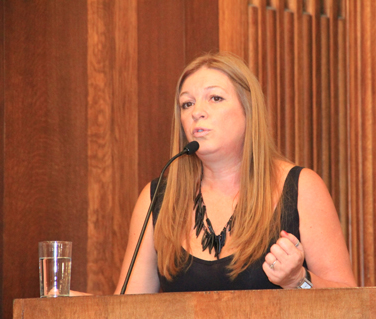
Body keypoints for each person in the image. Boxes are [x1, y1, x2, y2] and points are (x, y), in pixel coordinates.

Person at [113, 52, 356, 294]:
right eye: (187, 104)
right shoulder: (157, 198)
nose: (197, 112)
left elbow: (350, 303)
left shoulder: (301, 187)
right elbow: (128, 313)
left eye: (215, 98)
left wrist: (298, 279)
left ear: (248, 110)